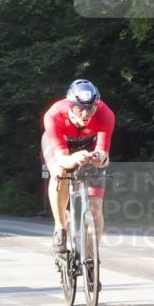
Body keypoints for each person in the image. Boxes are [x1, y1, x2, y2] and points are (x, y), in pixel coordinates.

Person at [41, 79, 115, 258]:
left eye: (90, 108)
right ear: (69, 105)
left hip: (89, 144)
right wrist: (74, 159)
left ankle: (91, 255)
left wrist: (99, 158)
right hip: (60, 145)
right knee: (60, 172)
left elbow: (104, 157)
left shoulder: (106, 114)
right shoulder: (54, 115)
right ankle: (60, 228)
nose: (85, 113)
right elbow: (62, 159)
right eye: (79, 108)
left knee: (96, 208)